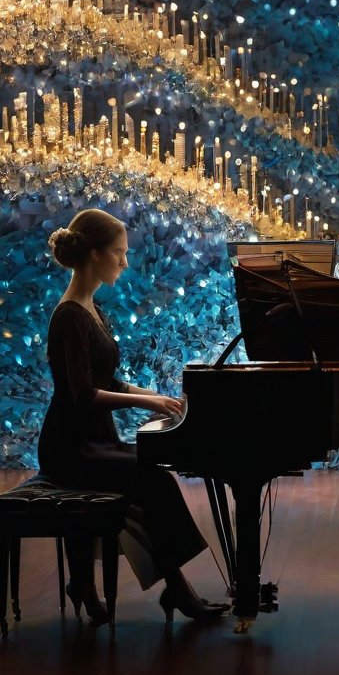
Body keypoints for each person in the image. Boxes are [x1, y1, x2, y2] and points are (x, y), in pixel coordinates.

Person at [40, 207, 227, 625]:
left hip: (94, 440)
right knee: (153, 478)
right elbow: (83, 395)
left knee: (152, 475)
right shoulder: (70, 315)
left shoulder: (89, 309)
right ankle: (177, 591)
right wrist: (148, 405)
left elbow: (111, 380)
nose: (126, 262)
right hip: (70, 448)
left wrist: (158, 397)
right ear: (94, 255)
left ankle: (104, 585)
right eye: (119, 253)